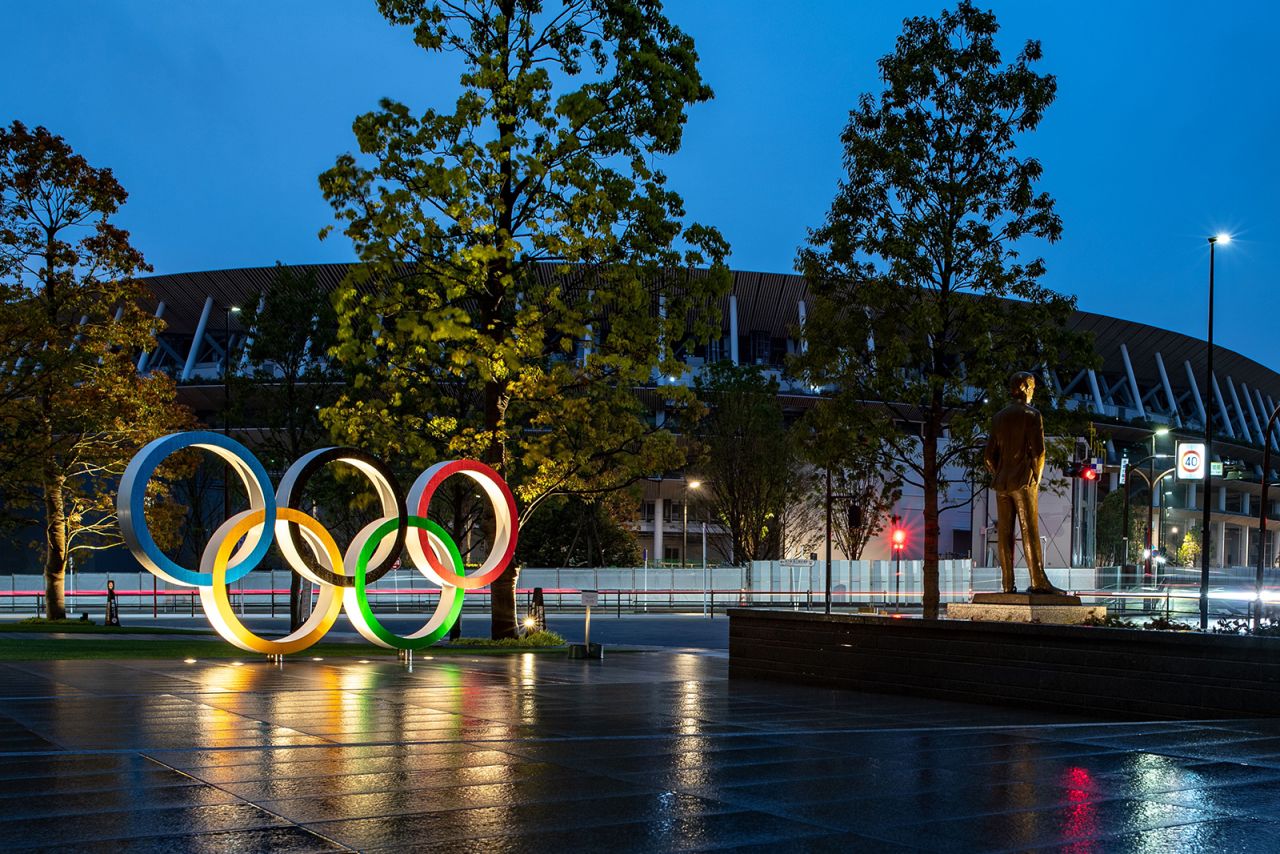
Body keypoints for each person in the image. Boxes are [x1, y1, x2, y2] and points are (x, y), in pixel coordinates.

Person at [984, 371, 1062, 594]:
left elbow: (988, 456)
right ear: (1026, 388)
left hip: (1002, 483)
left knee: (1004, 533)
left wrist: (998, 472)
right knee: (1030, 530)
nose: (1033, 392)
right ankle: (1038, 581)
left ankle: (1007, 584)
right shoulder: (1032, 415)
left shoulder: (998, 417)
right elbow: (1039, 452)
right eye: (1033, 388)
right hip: (1023, 481)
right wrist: (1035, 477)